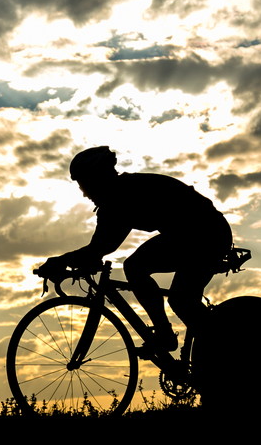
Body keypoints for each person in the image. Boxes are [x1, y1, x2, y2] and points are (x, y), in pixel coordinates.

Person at [43, 146, 233, 352]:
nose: (84, 194)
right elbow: (99, 248)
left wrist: (62, 261)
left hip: (204, 234)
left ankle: (207, 346)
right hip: (195, 233)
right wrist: (73, 260)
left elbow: (100, 247)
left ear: (97, 179)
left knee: (159, 284)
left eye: (84, 185)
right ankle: (204, 342)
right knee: (167, 289)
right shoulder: (117, 195)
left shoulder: (120, 197)